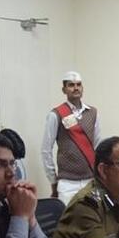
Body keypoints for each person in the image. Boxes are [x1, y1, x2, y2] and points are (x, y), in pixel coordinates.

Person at [42, 70, 101, 205]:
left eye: (78, 85)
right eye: (71, 85)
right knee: (67, 221)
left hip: (90, 180)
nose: (76, 88)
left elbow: (98, 146)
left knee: (93, 219)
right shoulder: (55, 114)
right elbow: (46, 149)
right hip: (67, 183)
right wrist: (53, 180)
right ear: (64, 89)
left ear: (82, 88)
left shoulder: (93, 113)